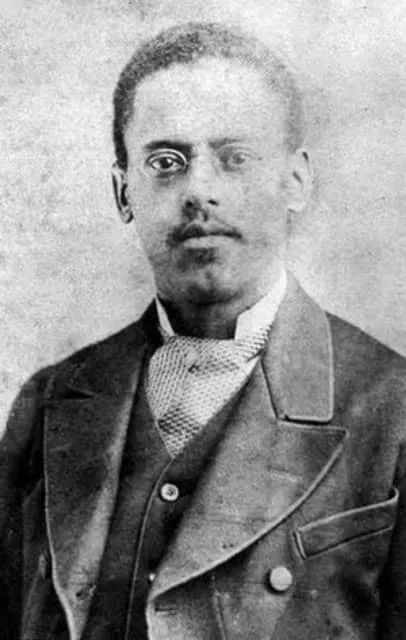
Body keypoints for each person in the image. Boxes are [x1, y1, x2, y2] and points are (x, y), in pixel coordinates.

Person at [1, 21, 406, 640]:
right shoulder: (48, 401)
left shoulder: (393, 407)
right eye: (166, 162)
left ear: (295, 181)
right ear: (123, 193)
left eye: (235, 158)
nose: (199, 191)